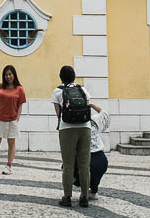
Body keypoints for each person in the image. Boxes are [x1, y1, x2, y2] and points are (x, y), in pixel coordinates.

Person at [52, 65, 92, 208]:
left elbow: (58, 114)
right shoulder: (83, 90)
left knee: (68, 164)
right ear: (74, 76)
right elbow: (87, 107)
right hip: (85, 128)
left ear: (61, 77)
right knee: (84, 164)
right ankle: (84, 197)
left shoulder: (58, 91)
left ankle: (67, 197)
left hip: (67, 129)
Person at [73, 102, 111, 200]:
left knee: (69, 169)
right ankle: (93, 190)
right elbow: (104, 112)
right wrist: (91, 105)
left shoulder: (73, 123)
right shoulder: (95, 120)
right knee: (94, 177)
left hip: (83, 158)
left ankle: (83, 190)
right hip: (101, 159)